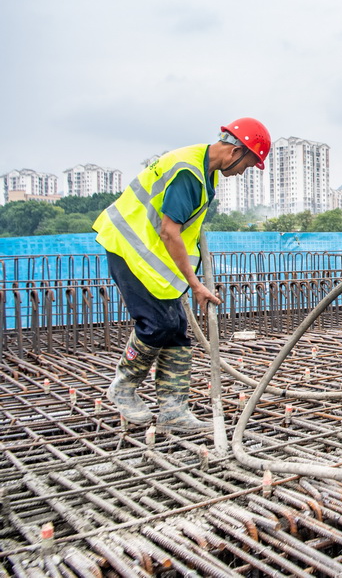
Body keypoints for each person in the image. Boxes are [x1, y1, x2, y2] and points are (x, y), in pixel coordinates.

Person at [95, 118, 271, 432]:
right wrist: (195, 283)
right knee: (157, 324)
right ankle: (122, 386)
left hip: (151, 257)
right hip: (130, 248)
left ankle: (172, 411)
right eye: (248, 164)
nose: (244, 172)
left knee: (175, 328)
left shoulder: (202, 169)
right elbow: (169, 231)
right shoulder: (189, 173)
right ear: (235, 152)